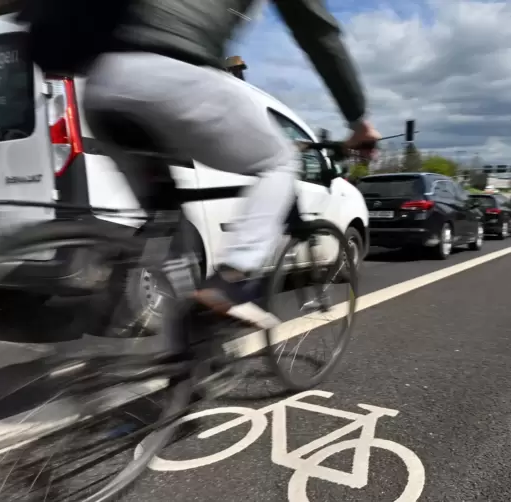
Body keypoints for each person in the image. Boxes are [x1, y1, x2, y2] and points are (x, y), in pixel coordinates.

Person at [83, 0, 381, 328]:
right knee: (280, 162)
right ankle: (231, 282)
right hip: (173, 74)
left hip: (102, 83)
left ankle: (181, 348)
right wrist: (358, 120)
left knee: (165, 213)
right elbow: (316, 30)